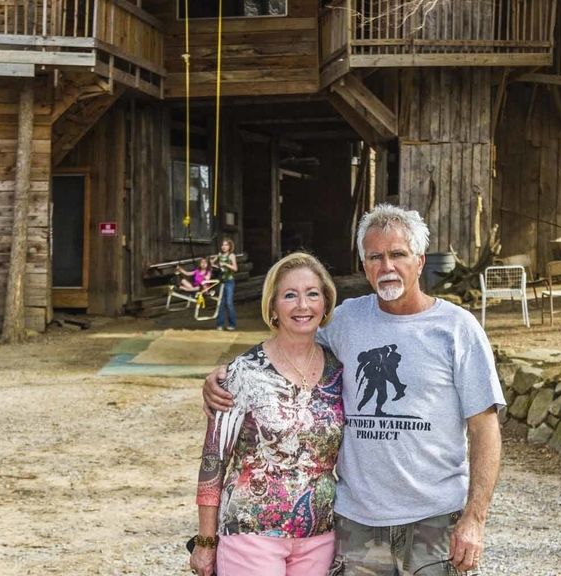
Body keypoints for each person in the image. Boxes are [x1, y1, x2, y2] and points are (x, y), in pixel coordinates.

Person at [204, 204, 504, 575]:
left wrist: (475, 519)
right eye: (375, 256)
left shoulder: (458, 329)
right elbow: (293, 349)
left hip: (435, 521)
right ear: (364, 265)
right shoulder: (346, 320)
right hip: (358, 524)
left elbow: (484, 427)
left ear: (420, 260)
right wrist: (226, 374)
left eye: (397, 254)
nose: (387, 266)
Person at [191, 252, 345, 576]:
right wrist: (206, 543)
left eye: (312, 294)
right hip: (250, 531)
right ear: (273, 308)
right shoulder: (243, 372)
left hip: (319, 535)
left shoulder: (339, 369)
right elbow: (212, 460)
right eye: (290, 295)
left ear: (326, 303)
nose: (302, 305)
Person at [212, 237, 238, 331]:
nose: (224, 247)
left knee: (229, 302)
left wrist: (226, 264)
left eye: (226, 245)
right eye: (223, 245)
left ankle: (232, 324)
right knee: (221, 303)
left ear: (229, 246)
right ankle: (220, 324)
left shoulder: (231, 256)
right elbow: (210, 263)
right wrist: (216, 265)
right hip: (221, 282)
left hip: (229, 282)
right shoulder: (219, 255)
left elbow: (235, 268)